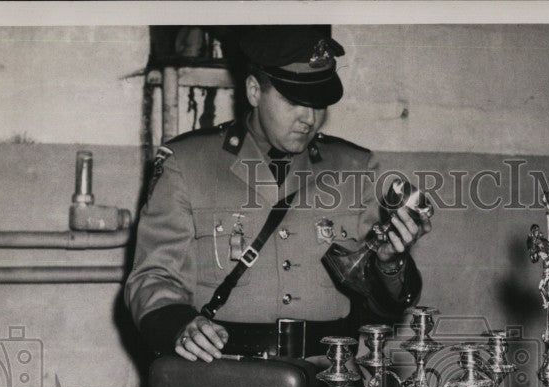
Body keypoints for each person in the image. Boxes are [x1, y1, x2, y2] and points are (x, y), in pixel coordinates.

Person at [125, 24, 432, 363]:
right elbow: (154, 277)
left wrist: (390, 262)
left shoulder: (355, 168)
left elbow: (383, 306)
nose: (310, 119)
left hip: (331, 383)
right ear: (255, 91)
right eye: (294, 101)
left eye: (318, 103)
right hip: (226, 376)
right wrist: (180, 324)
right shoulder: (188, 164)